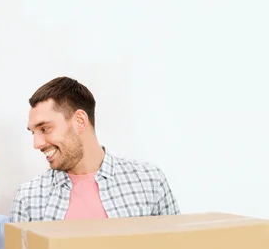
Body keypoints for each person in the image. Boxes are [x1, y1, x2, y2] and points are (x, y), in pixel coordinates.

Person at [12, 76, 180, 222]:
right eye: (33, 132)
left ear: (79, 121)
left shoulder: (149, 181)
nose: (37, 143)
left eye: (45, 128)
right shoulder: (29, 197)